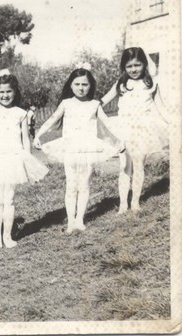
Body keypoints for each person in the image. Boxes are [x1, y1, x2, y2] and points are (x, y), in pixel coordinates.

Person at [34, 64, 122, 233]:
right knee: (71, 184)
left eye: (85, 84)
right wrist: (38, 134)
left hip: (88, 147)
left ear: (90, 86)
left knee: (85, 184)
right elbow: (52, 119)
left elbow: (108, 123)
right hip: (70, 148)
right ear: (71, 85)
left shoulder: (95, 104)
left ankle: (80, 219)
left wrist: (121, 140)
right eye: (77, 84)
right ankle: (70, 222)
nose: (81, 88)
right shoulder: (66, 103)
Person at [0, 69, 48, 249]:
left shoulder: (21, 113)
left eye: (8, 91)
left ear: (14, 92)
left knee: (9, 199)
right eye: (1, 92)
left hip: (14, 159)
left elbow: (25, 139)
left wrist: (27, 161)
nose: (5, 95)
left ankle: (7, 237)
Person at [100, 47, 169, 213]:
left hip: (144, 130)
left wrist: (172, 123)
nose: (133, 69)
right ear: (124, 67)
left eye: (137, 65)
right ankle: (123, 204)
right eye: (129, 66)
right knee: (125, 166)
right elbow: (100, 103)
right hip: (124, 129)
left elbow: (161, 107)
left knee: (139, 166)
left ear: (144, 65)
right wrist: (105, 121)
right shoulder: (121, 84)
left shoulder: (150, 84)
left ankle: (135, 202)